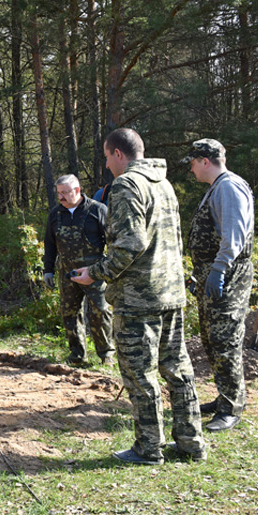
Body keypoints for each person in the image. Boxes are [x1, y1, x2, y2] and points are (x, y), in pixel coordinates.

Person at [71, 128, 206, 465]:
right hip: (171, 293)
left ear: (119, 154)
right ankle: (191, 444)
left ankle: (148, 448)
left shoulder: (127, 184)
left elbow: (130, 243)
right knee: (178, 369)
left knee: (139, 373)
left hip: (139, 298)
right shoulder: (164, 183)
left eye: (106, 156)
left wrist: (96, 273)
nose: (106, 164)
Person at [180, 138, 251, 433]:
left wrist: (218, 271)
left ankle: (232, 408)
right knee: (212, 339)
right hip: (213, 273)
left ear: (205, 161)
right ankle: (224, 399)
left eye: (194, 163)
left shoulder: (229, 187)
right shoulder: (216, 188)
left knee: (226, 340)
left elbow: (233, 236)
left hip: (229, 276)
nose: (192, 170)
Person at [43, 174, 114, 366]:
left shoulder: (97, 210)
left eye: (65, 192)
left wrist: (109, 269)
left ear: (77, 190)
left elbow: (113, 243)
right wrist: (47, 270)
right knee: (70, 314)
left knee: (100, 312)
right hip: (68, 273)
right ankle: (77, 356)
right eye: (59, 193)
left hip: (94, 273)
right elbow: (49, 245)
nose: (61, 197)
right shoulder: (55, 215)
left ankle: (106, 355)